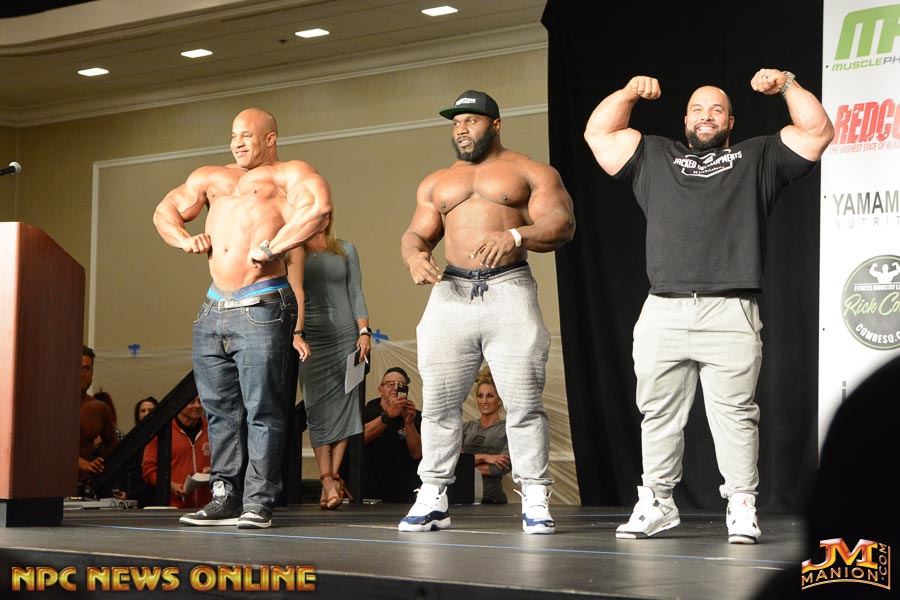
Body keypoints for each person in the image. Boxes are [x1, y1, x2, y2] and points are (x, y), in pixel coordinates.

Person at [583, 69, 834, 543]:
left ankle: (741, 504)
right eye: (697, 109)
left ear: (730, 121)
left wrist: (787, 86)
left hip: (730, 307)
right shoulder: (654, 155)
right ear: (685, 119)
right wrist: (629, 93)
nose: (706, 116)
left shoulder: (758, 156)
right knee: (657, 413)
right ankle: (657, 502)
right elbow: (599, 133)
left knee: (736, 413)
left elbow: (817, 131)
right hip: (664, 307)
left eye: (717, 110)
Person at [399, 90, 575, 534]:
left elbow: (561, 224)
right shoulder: (437, 182)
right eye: (456, 122)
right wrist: (415, 255)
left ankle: (534, 495)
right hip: (450, 292)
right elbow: (415, 234)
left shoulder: (530, 171)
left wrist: (515, 236)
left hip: (508, 289)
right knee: (438, 404)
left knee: (524, 403)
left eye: (471, 121)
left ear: (495, 125)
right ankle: (433, 496)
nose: (461, 129)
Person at [153, 107, 332, 529]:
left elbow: (319, 209)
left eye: (247, 135)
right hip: (213, 307)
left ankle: (258, 501)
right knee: (219, 410)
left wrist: (274, 246)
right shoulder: (211, 177)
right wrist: (183, 239)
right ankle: (224, 497)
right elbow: (165, 209)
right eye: (234, 135)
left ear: (270, 138)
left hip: (263, 302)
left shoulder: (288, 174)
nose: (237, 143)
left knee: (263, 408)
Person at [286, 217, 370, 509]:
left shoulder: (345, 249)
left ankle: (330, 480)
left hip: (345, 334)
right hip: (311, 335)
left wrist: (364, 331)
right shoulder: (294, 251)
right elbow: (293, 291)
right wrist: (296, 332)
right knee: (317, 407)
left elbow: (356, 291)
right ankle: (328, 481)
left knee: (346, 405)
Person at [355, 367, 422, 503]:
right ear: (380, 389)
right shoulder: (366, 413)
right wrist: (388, 415)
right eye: (391, 384)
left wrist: (409, 423)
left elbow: (417, 453)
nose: (396, 388)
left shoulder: (414, 415)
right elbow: (358, 440)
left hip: (405, 493)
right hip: (370, 491)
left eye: (401, 385)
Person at [142, 395, 212, 508]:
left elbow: (225, 460)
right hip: (174, 506)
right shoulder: (163, 431)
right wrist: (170, 486)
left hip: (207, 506)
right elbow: (148, 469)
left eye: (200, 401)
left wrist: (213, 469)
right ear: (180, 403)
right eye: (191, 402)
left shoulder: (211, 429)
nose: (197, 406)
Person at [461, 366, 510, 504]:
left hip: (494, 501)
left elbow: (500, 468)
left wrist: (465, 466)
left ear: (499, 400)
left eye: (490, 396)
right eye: (480, 396)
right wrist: (486, 457)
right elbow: (454, 463)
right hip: (463, 500)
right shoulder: (466, 428)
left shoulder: (508, 430)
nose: (484, 401)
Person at [78, 346, 119, 496]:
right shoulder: (51, 405)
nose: (82, 374)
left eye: (86, 369)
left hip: (84, 486)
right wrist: (79, 462)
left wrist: (101, 465)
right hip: (51, 485)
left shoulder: (98, 408)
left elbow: (112, 442)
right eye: (78, 368)